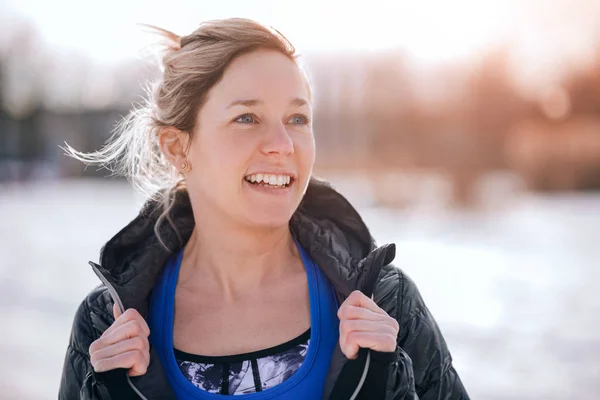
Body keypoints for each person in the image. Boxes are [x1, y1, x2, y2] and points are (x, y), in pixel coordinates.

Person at [58, 18, 469, 400]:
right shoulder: (106, 329)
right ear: (178, 147)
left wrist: (383, 381)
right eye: (247, 117)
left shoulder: (386, 306)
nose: (283, 144)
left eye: (297, 118)